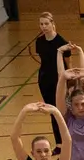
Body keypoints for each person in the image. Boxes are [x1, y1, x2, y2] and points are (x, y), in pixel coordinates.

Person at [29, 11, 68, 144]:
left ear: (52, 24)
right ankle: (59, 143)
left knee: (63, 111)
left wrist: (69, 81)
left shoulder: (61, 42)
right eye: (41, 24)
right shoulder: (39, 42)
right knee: (53, 112)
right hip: (45, 80)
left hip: (60, 81)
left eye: (46, 23)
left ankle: (68, 140)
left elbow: (68, 63)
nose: (44, 26)